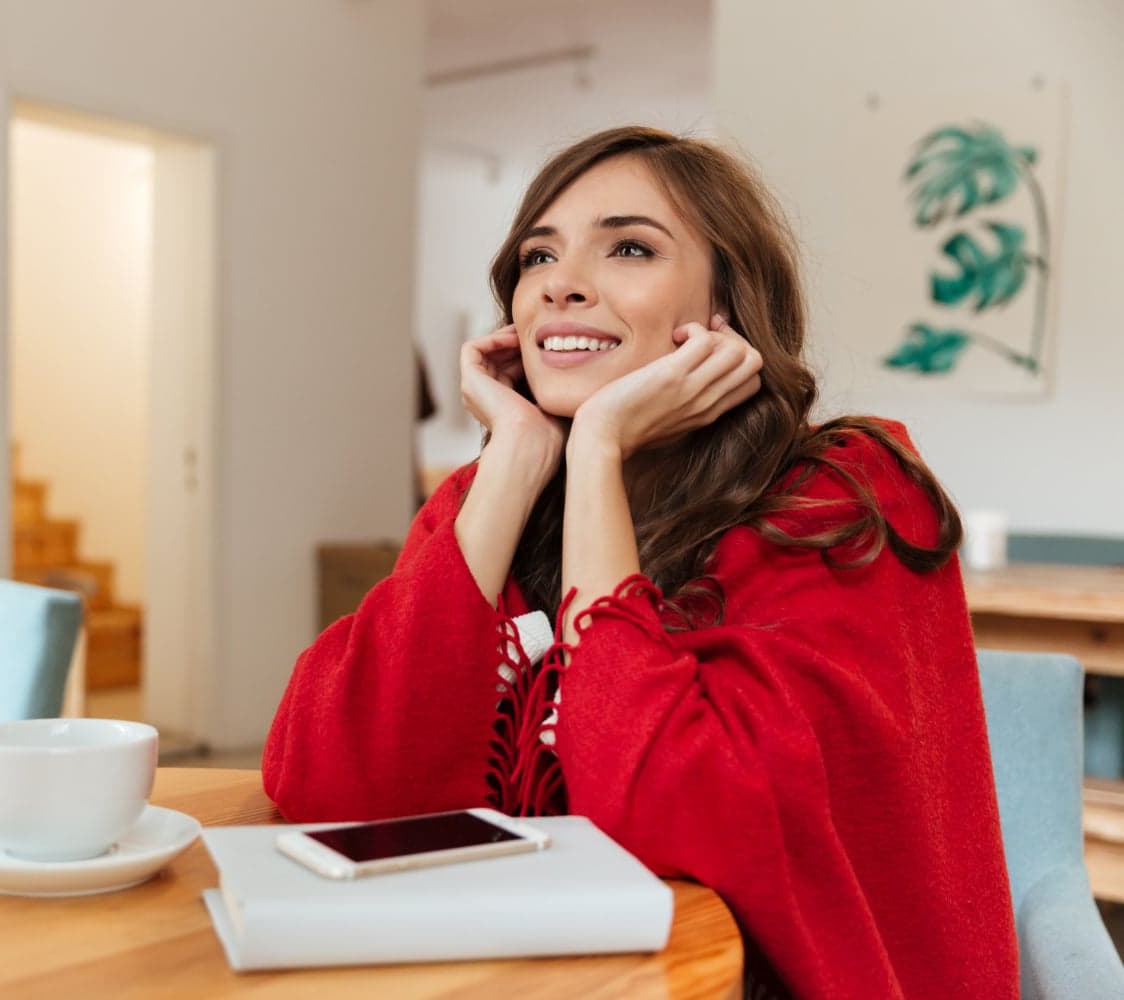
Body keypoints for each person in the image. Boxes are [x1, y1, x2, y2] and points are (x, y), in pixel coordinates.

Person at [262, 126, 1019, 998]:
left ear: (725, 312)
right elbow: (331, 781)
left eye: (628, 247)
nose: (560, 282)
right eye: (537, 254)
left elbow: (677, 812)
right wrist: (515, 457)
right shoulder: (491, 500)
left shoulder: (844, 493)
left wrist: (601, 454)